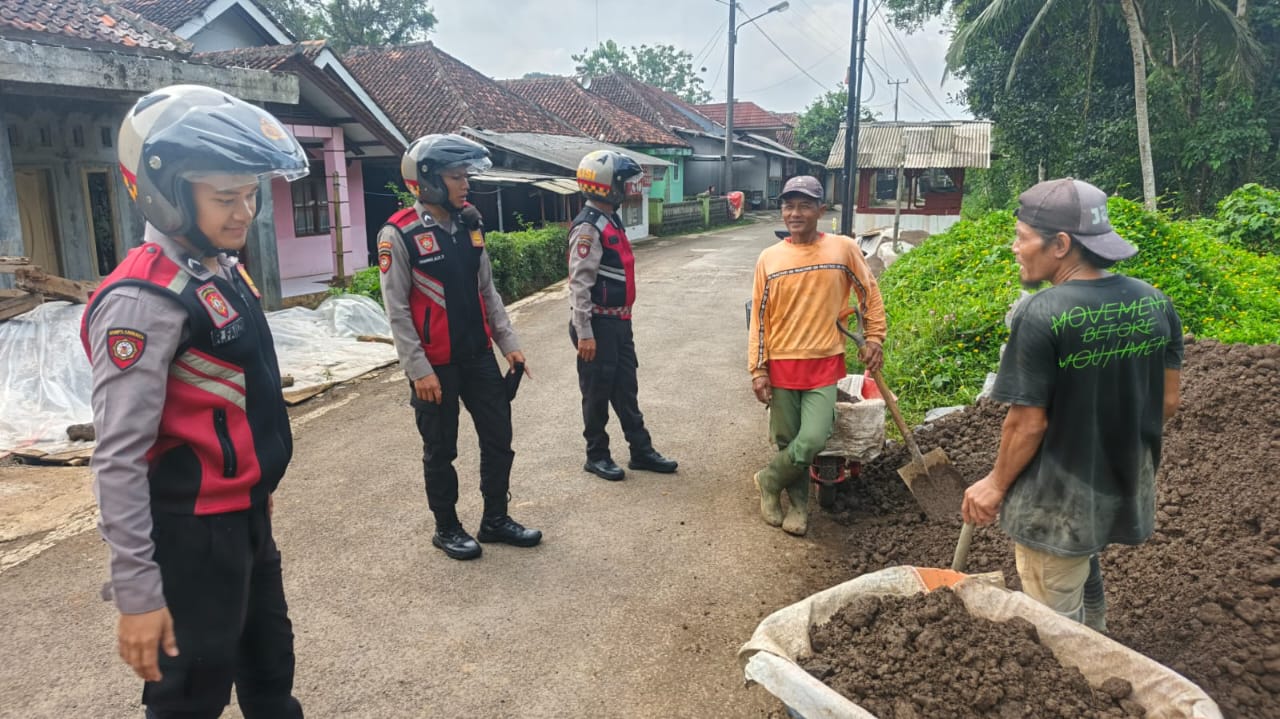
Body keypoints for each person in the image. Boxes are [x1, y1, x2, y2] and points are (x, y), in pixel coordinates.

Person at [81, 84, 308, 718]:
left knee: (271, 679)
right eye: (224, 197)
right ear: (167, 193)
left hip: (245, 519)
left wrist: (254, 492)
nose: (245, 213)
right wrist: (137, 593)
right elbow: (119, 457)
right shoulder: (143, 302)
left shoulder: (218, 268)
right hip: (192, 537)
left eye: (251, 193)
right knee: (189, 702)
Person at [961, 178, 1183, 633]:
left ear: (1060, 245)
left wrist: (995, 484)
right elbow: (1168, 400)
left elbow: (1027, 424)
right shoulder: (1155, 303)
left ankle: (1080, 667)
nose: (1014, 248)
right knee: (1083, 564)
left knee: (1055, 630)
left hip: (1056, 504)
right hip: (1119, 487)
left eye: (1021, 237)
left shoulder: (1042, 313)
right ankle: (1098, 639)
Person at [378, 134, 541, 560]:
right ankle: (446, 527)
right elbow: (397, 311)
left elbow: (487, 291)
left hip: (478, 356)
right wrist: (418, 369)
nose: (465, 184)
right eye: (456, 176)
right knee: (440, 449)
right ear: (429, 181)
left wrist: (508, 343)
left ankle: (495, 519)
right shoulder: (399, 234)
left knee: (499, 438)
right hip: (435, 366)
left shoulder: (470, 226)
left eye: (466, 175)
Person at [747, 175, 886, 536]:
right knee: (787, 439)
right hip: (781, 363)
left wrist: (875, 337)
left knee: (813, 438)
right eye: (788, 205)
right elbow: (759, 320)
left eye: (805, 205)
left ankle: (769, 479)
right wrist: (758, 369)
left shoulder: (842, 250)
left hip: (824, 363)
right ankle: (799, 507)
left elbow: (868, 293)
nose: (795, 213)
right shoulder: (769, 259)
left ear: (821, 210)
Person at [567, 149, 678, 482]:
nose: (628, 187)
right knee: (597, 393)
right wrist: (585, 332)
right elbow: (579, 284)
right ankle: (596, 455)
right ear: (606, 185)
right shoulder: (588, 228)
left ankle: (640, 450)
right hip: (597, 325)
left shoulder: (610, 219)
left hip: (618, 323)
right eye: (622, 181)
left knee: (626, 389)